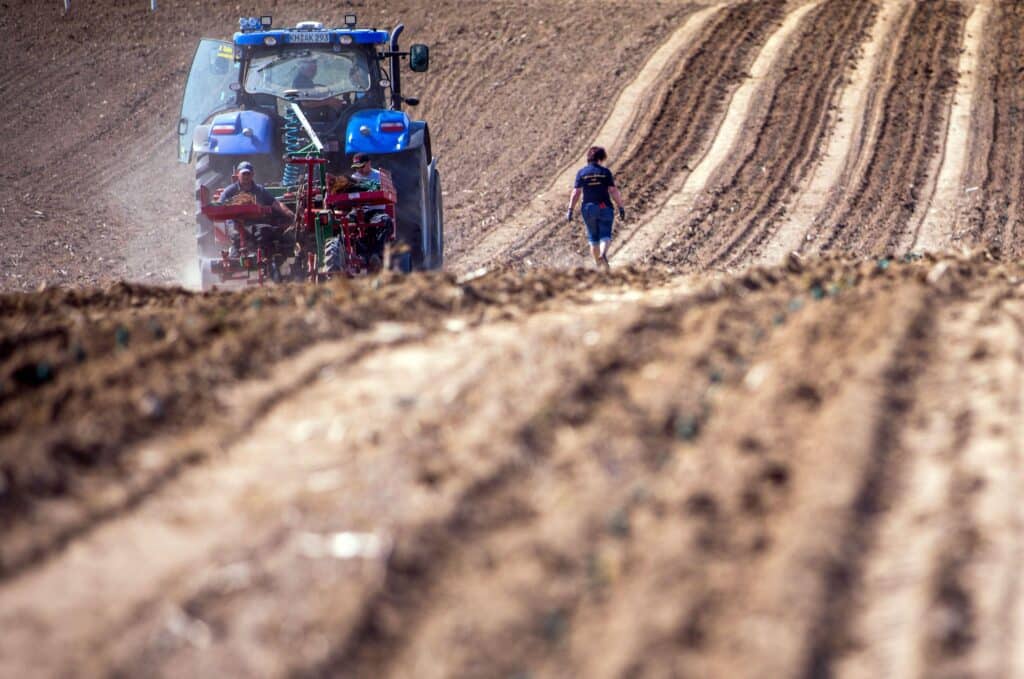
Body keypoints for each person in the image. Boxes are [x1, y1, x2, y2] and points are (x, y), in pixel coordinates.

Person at [566, 146, 626, 269]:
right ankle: (602, 255)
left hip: (588, 208)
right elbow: (613, 190)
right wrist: (621, 207)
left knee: (593, 238)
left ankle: (599, 265)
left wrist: (570, 210)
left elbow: (576, 192)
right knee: (605, 234)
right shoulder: (605, 172)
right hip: (604, 207)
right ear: (601, 158)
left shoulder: (582, 173)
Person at [219, 161, 295, 255]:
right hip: (235, 224)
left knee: (265, 232)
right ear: (238, 174)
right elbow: (219, 205)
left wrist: (289, 213)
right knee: (237, 236)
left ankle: (264, 256)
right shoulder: (229, 191)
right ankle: (235, 254)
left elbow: (276, 203)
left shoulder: (260, 190)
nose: (246, 176)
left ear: (252, 175)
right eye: (244, 174)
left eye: (248, 174)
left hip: (255, 223)